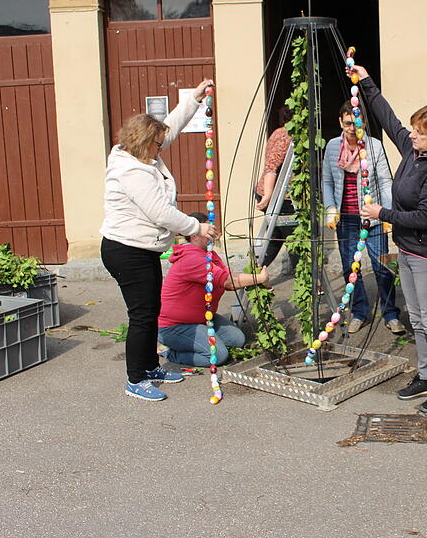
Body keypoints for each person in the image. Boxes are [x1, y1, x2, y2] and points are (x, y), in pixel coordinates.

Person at [351, 63, 427, 415]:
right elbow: (388, 119)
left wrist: (381, 213)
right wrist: (366, 82)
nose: (411, 135)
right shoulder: (415, 152)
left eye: (420, 133)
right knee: (416, 317)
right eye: (413, 130)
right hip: (409, 249)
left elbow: (425, 217)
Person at [100, 78, 216, 402]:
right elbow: (160, 212)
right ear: (144, 143)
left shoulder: (138, 153)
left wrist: (193, 100)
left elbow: (169, 128)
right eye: (157, 145)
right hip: (126, 251)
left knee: (151, 308)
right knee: (141, 314)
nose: (161, 148)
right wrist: (197, 228)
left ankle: (151, 366)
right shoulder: (132, 171)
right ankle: (135, 379)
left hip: (142, 250)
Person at [322, 100, 403, 336]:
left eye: (356, 123)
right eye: (348, 123)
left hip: (372, 215)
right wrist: (330, 207)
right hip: (345, 218)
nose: (352, 128)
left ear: (363, 123)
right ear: (340, 122)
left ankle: (391, 314)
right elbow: (327, 180)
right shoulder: (332, 147)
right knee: (350, 268)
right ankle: (359, 312)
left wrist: (388, 212)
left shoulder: (374, 146)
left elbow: (385, 180)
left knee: (382, 266)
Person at [158, 212, 269, 367]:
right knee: (218, 355)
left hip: (202, 319)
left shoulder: (210, 254)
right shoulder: (192, 258)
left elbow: (227, 275)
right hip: (175, 326)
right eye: (209, 231)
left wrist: (253, 278)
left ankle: (199, 342)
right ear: (195, 235)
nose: (215, 234)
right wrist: (259, 279)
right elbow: (228, 282)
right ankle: (170, 353)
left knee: (237, 340)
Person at [255, 106, 296, 269]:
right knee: (295, 241)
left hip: (281, 196)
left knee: (275, 238)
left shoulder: (282, 133)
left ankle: (254, 275)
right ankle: (308, 282)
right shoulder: (285, 135)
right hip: (280, 197)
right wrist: (268, 195)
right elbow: (271, 167)